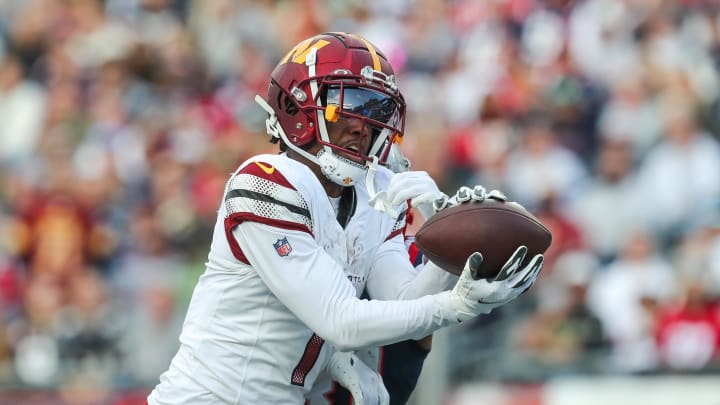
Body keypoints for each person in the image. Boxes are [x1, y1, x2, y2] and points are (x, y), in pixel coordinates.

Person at [147, 32, 543, 405]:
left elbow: (404, 306)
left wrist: (449, 249)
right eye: (349, 103)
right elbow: (341, 321)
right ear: (296, 107)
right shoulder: (265, 183)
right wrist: (457, 306)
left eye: (377, 108)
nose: (363, 123)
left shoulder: (377, 195)